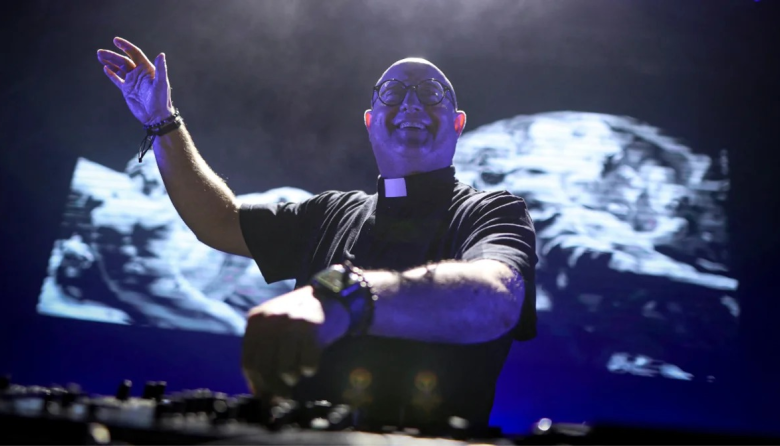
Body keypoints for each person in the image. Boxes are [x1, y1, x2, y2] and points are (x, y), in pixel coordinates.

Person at [97, 37, 536, 430]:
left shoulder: (491, 211)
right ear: (370, 121)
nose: (411, 104)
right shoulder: (329, 213)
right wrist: (162, 122)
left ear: (458, 123)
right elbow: (219, 221)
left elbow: (497, 296)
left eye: (431, 92)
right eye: (393, 92)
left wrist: (344, 295)